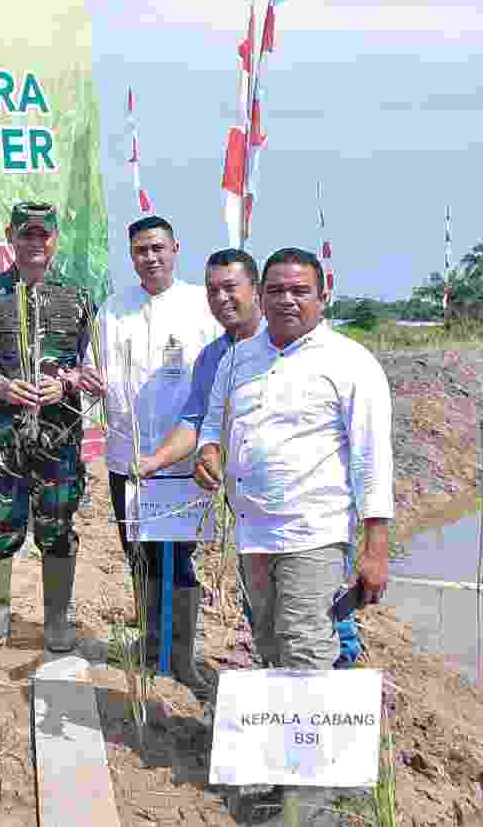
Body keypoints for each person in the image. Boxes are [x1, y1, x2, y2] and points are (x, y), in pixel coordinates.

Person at [143, 249, 365, 671]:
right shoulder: (217, 357)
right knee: (267, 626)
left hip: (314, 524)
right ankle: (283, 712)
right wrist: (170, 457)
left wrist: (374, 534)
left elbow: (365, 450)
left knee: (318, 630)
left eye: (232, 287)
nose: (222, 298)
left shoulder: (316, 350)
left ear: (255, 291)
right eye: (212, 290)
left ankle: (338, 705)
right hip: (252, 525)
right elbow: (201, 421)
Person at [193, 247, 393, 678]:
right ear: (261, 296)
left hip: (313, 533)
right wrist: (208, 451)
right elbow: (213, 425)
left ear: (323, 296)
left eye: (300, 291)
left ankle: (317, 743)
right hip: (252, 535)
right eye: (278, 290)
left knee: (305, 646)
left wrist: (375, 551)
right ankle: (284, 736)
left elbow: (372, 461)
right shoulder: (237, 359)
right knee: (268, 642)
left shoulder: (350, 364)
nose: (287, 300)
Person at [76, 218, 222, 676]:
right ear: (131, 255)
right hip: (127, 456)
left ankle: (181, 658)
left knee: (178, 556)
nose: (151, 257)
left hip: (182, 459)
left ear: (176, 248)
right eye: (141, 250)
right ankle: (151, 644)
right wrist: (88, 382)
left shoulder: (203, 306)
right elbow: (89, 373)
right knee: (137, 551)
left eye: (158, 247)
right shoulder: (113, 310)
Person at [0, 202, 96, 656]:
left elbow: (94, 368)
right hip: (3, 436)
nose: (35, 243)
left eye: (43, 235)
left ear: (55, 239)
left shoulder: (77, 297)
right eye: (27, 234)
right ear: (10, 236)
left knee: (57, 526)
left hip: (59, 437)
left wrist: (66, 384)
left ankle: (57, 622)